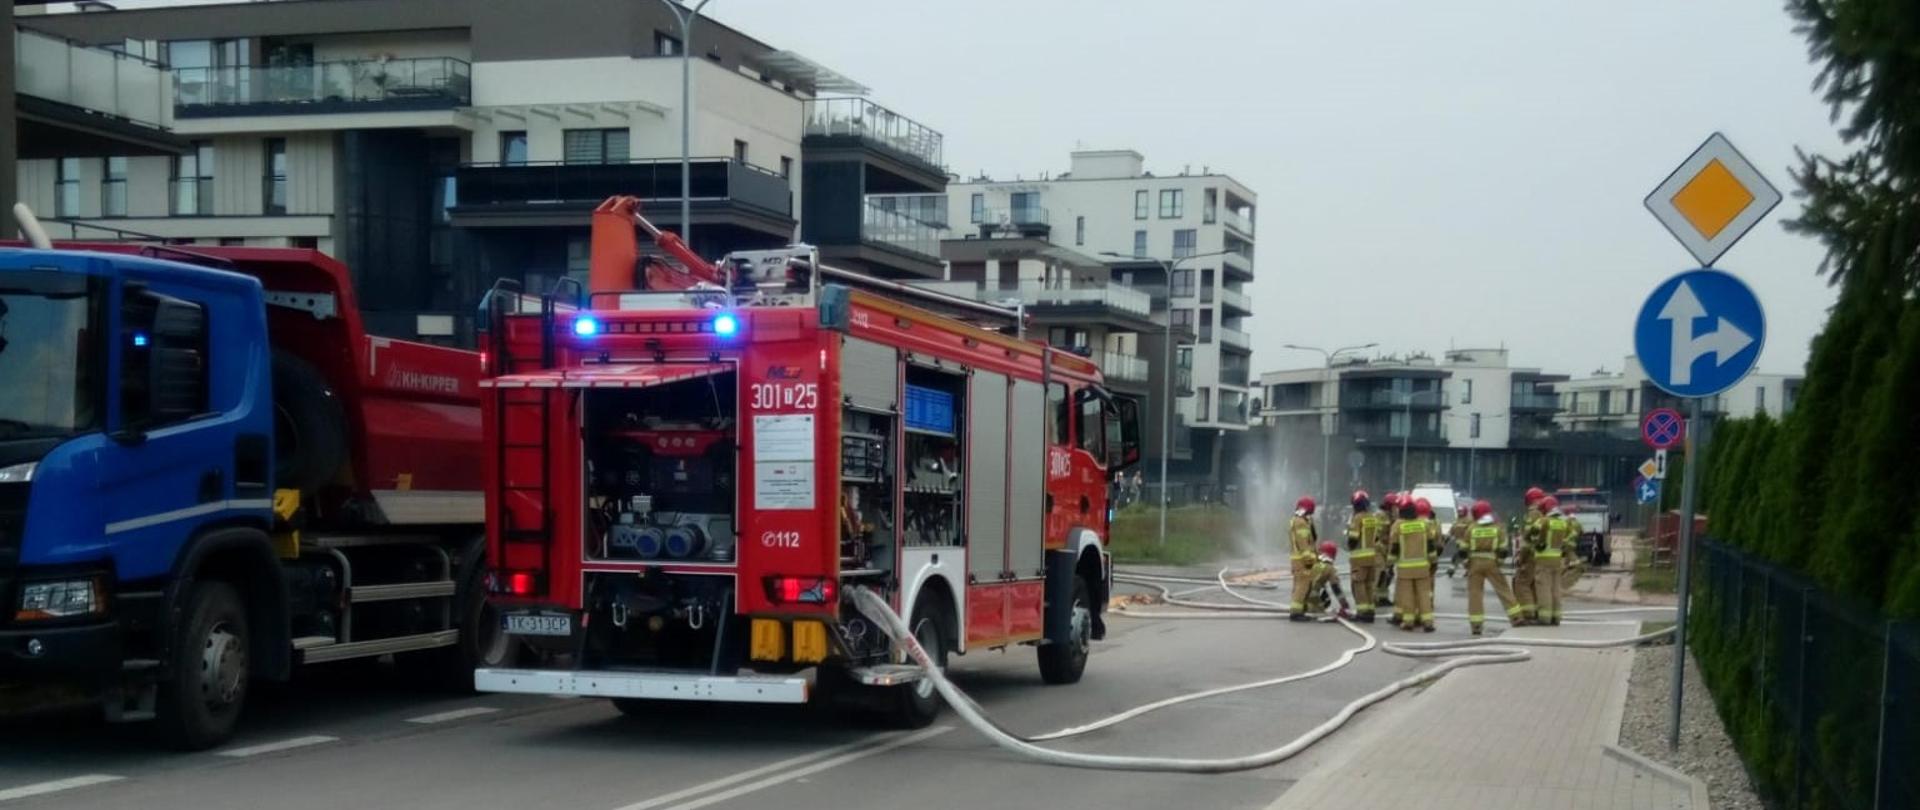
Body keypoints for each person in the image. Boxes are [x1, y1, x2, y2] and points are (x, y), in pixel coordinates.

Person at [1461, 499, 1521, 635]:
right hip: (1492, 562)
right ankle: (1516, 617)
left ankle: (1476, 625)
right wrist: (1498, 561)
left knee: (1475, 594)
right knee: (1503, 589)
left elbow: (1463, 549)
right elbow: (1503, 549)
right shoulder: (1497, 528)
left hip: (1475, 563)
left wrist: (1466, 562)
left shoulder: (1472, 528)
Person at [1389, 496, 1438, 632]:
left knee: (1407, 596)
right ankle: (1428, 622)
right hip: (1422, 568)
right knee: (1424, 595)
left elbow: (1394, 548)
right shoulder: (1424, 525)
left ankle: (1408, 622)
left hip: (1405, 569)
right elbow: (1431, 547)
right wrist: (1433, 562)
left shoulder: (1398, 526)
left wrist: (1389, 565)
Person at [1533, 495, 1578, 626]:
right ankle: (1556, 617)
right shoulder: (1564, 522)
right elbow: (1573, 534)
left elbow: (1532, 533)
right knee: (1556, 589)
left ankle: (1545, 618)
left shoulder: (1543, 521)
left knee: (1544, 588)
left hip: (1543, 559)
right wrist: (1564, 545)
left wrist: (1536, 542)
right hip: (1558, 559)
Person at [1344, 490, 1385, 623]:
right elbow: (1377, 537)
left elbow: (1353, 538)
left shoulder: (1357, 518)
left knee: (1359, 584)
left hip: (1359, 559)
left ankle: (1362, 612)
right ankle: (1370, 611)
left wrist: (1349, 545)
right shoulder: (1373, 518)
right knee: (1369, 584)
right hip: (1372, 557)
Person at [1513, 486, 1546, 625]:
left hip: (1530, 555)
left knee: (1522, 583)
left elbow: (1527, 539)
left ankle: (1528, 613)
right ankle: (1537, 611)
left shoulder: (1532, 514)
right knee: (1532, 584)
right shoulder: (1544, 514)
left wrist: (1521, 557)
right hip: (1541, 555)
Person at [1287, 496, 1318, 622]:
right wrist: (1309, 559)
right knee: (1302, 586)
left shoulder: (1299, 520)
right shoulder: (1301, 522)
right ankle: (1296, 612)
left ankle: (1299, 609)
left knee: (1300, 585)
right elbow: (1304, 543)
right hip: (1302, 560)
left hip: (1298, 559)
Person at [1304, 541, 1354, 618]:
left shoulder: (1313, 563)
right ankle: (1315, 608)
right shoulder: (1329, 568)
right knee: (1323, 604)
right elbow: (1336, 588)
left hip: (1301, 597)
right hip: (1313, 596)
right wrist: (1345, 605)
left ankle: (1306, 607)